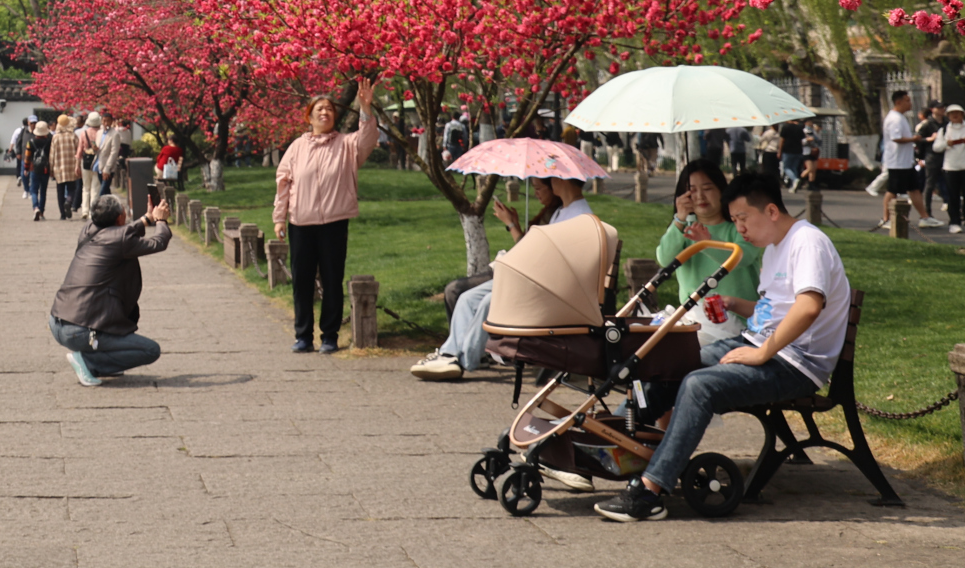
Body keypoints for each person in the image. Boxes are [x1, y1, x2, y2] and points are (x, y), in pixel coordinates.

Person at [596, 172, 851, 522]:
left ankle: (650, 491)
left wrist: (762, 353)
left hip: (793, 364)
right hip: (761, 346)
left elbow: (808, 306)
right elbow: (774, 310)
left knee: (699, 386)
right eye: (734, 220)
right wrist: (735, 303)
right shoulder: (775, 246)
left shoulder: (807, 243)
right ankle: (612, 446)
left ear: (772, 211)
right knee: (671, 362)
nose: (739, 228)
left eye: (743, 219)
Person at [410, 174, 593, 381]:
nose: (549, 183)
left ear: (562, 181)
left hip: (545, 287)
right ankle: (448, 353)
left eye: (551, 180)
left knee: (491, 301)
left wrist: (514, 229)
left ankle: (462, 360)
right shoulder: (562, 211)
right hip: (529, 276)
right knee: (467, 298)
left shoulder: (580, 217)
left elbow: (558, 263)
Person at [274, 80, 378, 353]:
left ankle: (329, 335)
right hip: (300, 222)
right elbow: (283, 182)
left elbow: (368, 138)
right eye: (319, 109)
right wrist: (278, 218)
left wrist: (365, 107)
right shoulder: (297, 147)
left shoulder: (347, 145)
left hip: (334, 221)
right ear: (309, 116)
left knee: (332, 279)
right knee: (302, 282)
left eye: (330, 109)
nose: (325, 113)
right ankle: (303, 336)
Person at [48, 193, 173, 386]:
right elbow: (158, 242)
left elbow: (122, 233)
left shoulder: (88, 229)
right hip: (79, 330)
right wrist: (161, 221)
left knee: (125, 339)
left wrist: (147, 218)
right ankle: (88, 362)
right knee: (150, 350)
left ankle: (102, 364)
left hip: (58, 322)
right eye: (124, 210)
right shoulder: (120, 240)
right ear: (119, 218)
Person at [655, 159, 761, 344]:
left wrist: (707, 242)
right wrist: (679, 220)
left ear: (721, 190)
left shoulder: (738, 227)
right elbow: (665, 259)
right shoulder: (683, 230)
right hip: (695, 321)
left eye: (707, 188)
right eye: (692, 190)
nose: (700, 196)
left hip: (739, 324)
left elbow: (743, 257)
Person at [878, 90, 940, 228]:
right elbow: (896, 138)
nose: (910, 103)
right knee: (892, 190)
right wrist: (914, 138)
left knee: (914, 189)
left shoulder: (900, 117)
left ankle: (924, 217)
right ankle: (886, 219)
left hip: (906, 161)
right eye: (907, 100)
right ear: (898, 102)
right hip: (897, 162)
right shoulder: (894, 118)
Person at [936, 104, 965, 233]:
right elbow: (936, 147)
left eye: (957, 113)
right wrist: (945, 143)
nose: (955, 115)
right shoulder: (943, 130)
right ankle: (954, 222)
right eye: (952, 113)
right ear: (948, 116)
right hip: (950, 167)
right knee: (953, 197)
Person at [50, 113, 84, 220]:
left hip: (59, 167)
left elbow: (52, 154)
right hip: (71, 166)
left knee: (60, 190)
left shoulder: (55, 137)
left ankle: (62, 214)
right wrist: (78, 165)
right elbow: (79, 152)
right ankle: (69, 201)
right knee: (72, 188)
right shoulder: (73, 136)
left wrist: (51, 168)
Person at [27, 120, 54, 220]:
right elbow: (51, 156)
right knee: (43, 191)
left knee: (34, 190)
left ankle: (35, 207)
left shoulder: (31, 142)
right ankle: (42, 212)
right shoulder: (50, 142)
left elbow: (27, 157)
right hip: (45, 169)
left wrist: (26, 168)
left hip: (34, 169)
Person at [777, 120, 805, 191]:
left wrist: (779, 151)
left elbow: (782, 140)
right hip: (798, 151)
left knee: (786, 167)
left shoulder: (785, 127)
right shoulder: (799, 128)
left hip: (787, 150)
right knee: (794, 167)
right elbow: (801, 140)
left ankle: (794, 179)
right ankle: (794, 186)